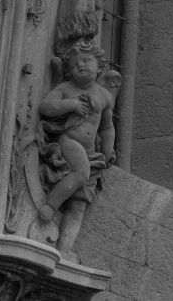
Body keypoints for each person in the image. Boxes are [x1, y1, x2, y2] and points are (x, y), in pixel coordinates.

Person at [36, 43, 116, 221]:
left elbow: (107, 127)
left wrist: (107, 150)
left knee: (80, 195)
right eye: (74, 64)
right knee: (81, 172)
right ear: (69, 71)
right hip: (68, 140)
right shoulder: (65, 88)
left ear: (99, 66)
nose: (80, 65)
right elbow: (45, 107)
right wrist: (72, 104)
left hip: (90, 151)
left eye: (86, 60)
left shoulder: (105, 96)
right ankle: (50, 205)